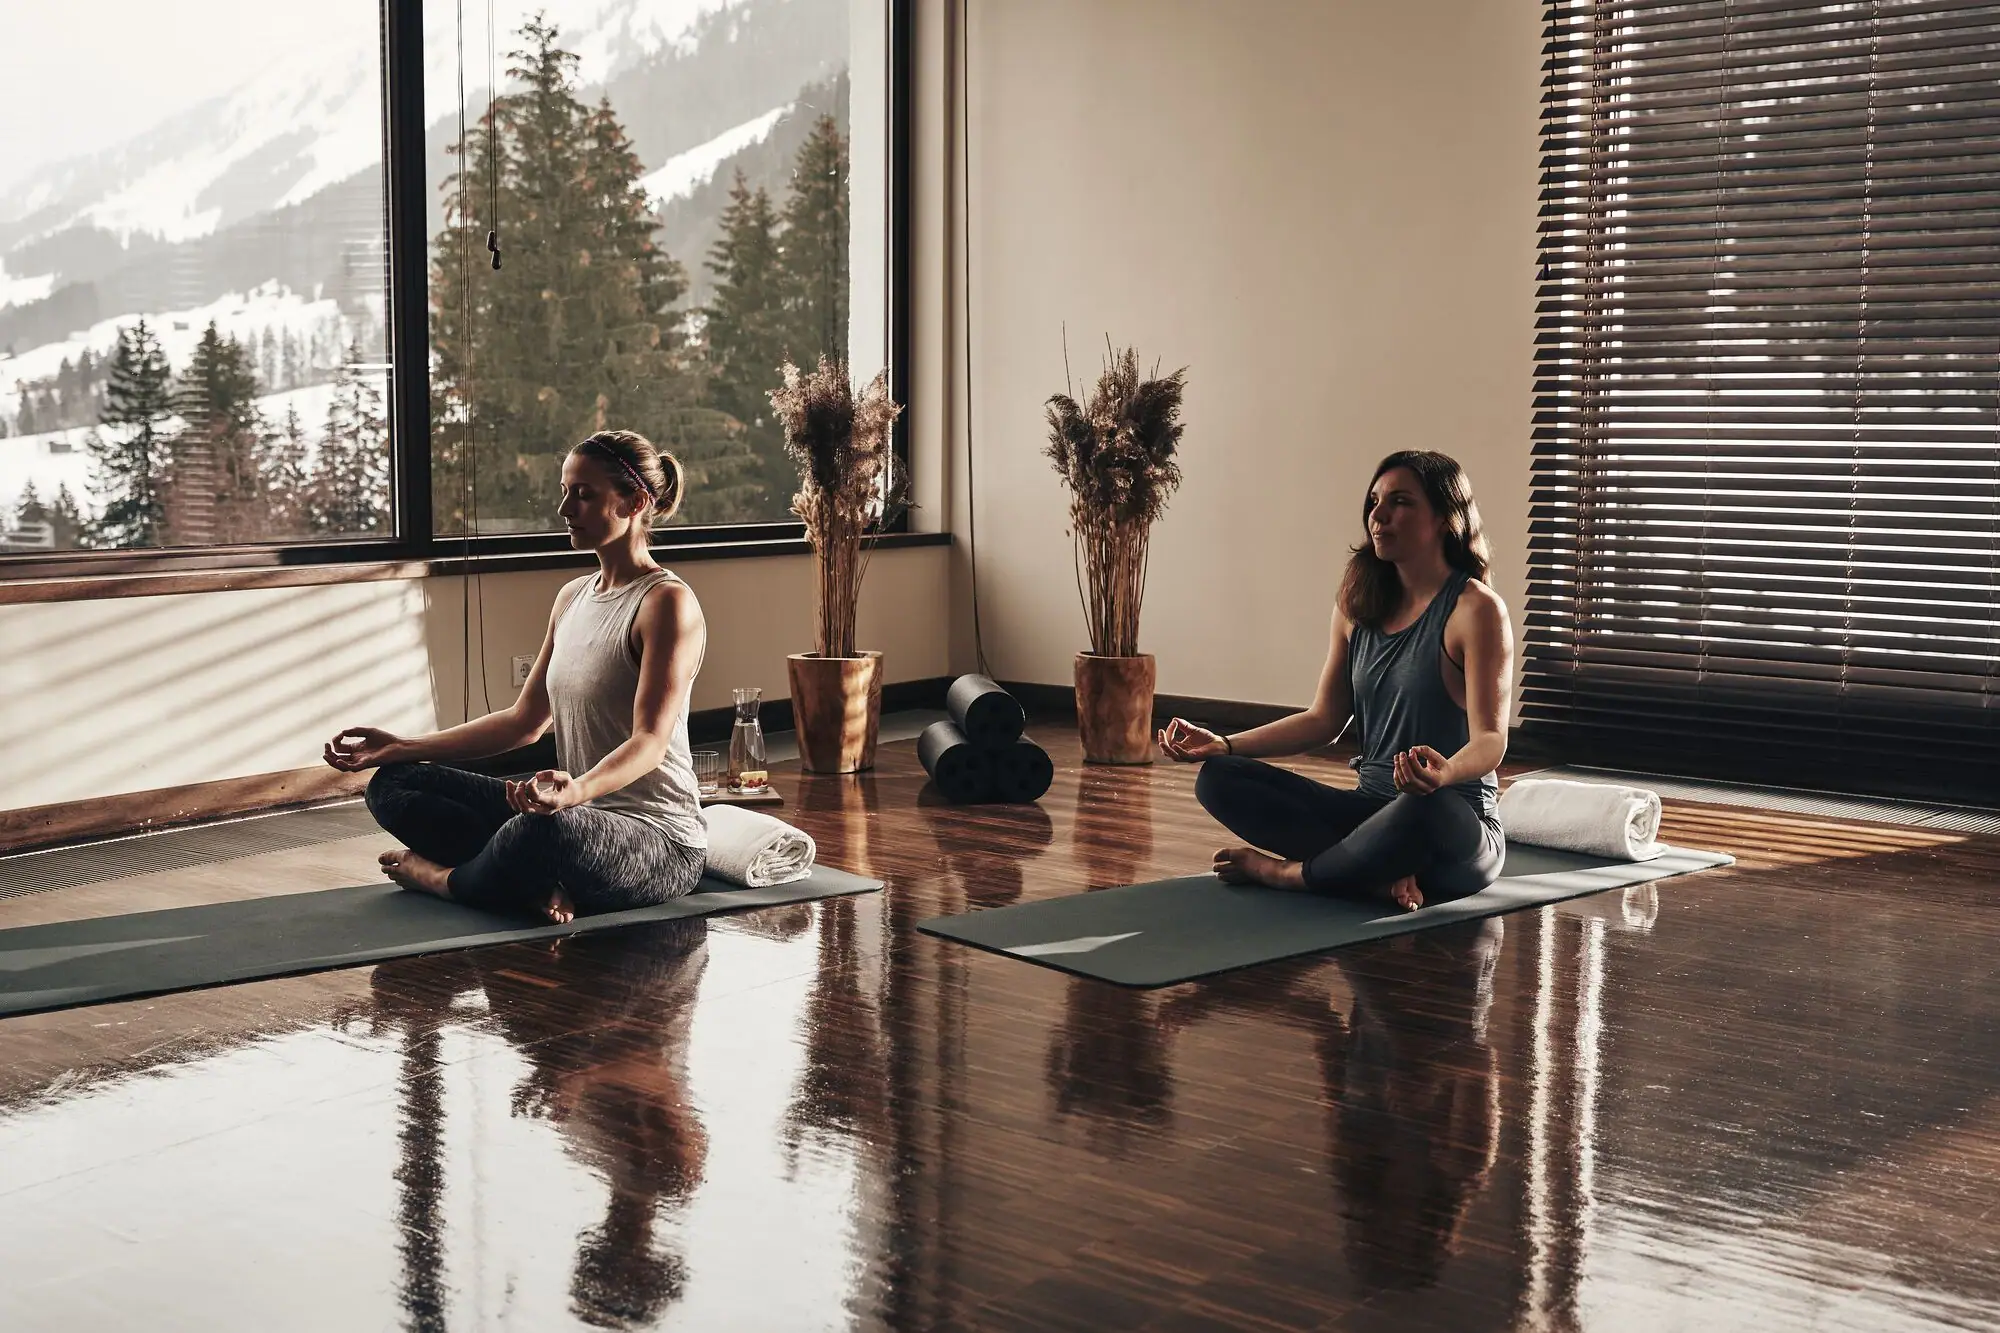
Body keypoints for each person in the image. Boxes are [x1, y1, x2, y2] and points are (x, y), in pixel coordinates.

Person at [325, 429, 709, 924]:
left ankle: (442, 880)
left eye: (584, 495)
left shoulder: (667, 604)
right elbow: (523, 722)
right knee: (394, 784)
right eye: (566, 491)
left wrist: (573, 793)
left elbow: (651, 742)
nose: (565, 509)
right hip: (571, 813)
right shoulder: (572, 597)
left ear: (635, 501)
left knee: (540, 833)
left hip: (658, 841)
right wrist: (400, 746)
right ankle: (533, 880)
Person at [1158, 450, 1512, 911]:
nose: (1378, 516)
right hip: (1367, 814)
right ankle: (1372, 875)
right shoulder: (1357, 604)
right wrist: (1225, 744)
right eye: (1374, 502)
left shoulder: (1476, 609)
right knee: (1219, 779)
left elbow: (1491, 739)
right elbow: (1324, 719)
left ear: (1446, 519)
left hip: (1453, 827)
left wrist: (1444, 772)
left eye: (1399, 502)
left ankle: (1288, 874)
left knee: (1429, 807)